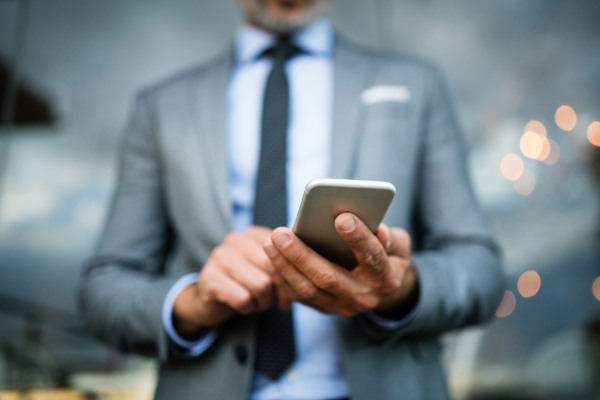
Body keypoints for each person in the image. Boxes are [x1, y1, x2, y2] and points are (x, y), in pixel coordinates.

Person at [78, 0, 505, 399]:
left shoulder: (417, 84)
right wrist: (192, 302)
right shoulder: (161, 106)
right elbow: (103, 289)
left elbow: (481, 271)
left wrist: (402, 290)